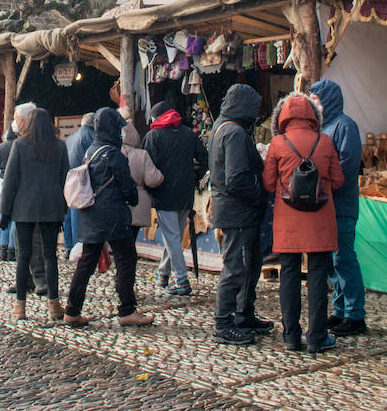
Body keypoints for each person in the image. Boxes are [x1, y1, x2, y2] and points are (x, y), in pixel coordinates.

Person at [263, 93, 344, 353]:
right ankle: (317, 336)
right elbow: (339, 180)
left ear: (283, 117)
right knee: (318, 276)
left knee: (289, 275)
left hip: (288, 221)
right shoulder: (325, 141)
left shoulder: (277, 143)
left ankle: (291, 335)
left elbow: (267, 183)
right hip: (320, 219)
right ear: (314, 116)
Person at [62, 107, 152, 327]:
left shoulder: (91, 150)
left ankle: (72, 310)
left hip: (91, 214)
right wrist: (132, 200)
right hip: (113, 216)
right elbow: (127, 186)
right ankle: (127, 310)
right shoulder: (113, 154)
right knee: (126, 259)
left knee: (87, 262)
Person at [209, 83, 273, 345]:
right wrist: (258, 193)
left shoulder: (221, 128)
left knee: (247, 265)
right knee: (236, 266)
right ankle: (223, 323)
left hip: (234, 209)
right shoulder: (233, 132)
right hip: (237, 211)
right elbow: (235, 178)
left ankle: (243, 313)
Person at [0, 108, 69, 321]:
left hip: (24, 208)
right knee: (50, 256)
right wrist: (63, 206)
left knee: (23, 256)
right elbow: (64, 178)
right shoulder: (59, 146)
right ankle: (54, 304)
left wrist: (4, 211)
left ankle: (20, 306)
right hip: (51, 206)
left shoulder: (19, 145)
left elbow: (10, 181)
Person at [313, 79, 366, 337]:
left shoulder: (346, 126)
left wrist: (326, 184)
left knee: (344, 259)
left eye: (318, 99)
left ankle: (355, 314)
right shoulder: (323, 127)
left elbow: (347, 164)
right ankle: (340, 310)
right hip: (326, 205)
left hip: (342, 204)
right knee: (332, 262)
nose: (315, 104)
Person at [144, 93, 208, 296]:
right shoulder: (188, 133)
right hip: (186, 193)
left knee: (172, 237)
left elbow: (148, 167)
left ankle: (182, 281)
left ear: (157, 118)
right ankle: (163, 273)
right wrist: (194, 176)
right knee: (175, 236)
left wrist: (152, 186)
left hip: (165, 194)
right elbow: (204, 158)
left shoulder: (153, 137)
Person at [0, 105, 35, 260]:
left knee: (6, 214)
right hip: (18, 182)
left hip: (3, 182)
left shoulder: (1, 147)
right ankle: (13, 248)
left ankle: (3, 248)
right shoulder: (21, 145)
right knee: (15, 216)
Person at [62, 112, 96, 253]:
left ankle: (69, 245)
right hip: (82, 177)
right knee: (78, 212)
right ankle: (78, 246)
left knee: (70, 212)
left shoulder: (70, 137)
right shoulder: (91, 137)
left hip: (69, 177)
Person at [120, 123, 162, 236]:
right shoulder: (141, 154)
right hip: (137, 204)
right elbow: (153, 180)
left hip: (115, 204)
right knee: (131, 241)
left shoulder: (110, 153)